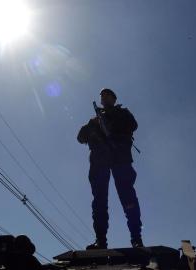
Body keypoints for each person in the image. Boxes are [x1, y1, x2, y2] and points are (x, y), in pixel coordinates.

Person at [77, 88, 144, 250]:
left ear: (114, 99)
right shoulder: (94, 120)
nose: (104, 98)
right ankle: (101, 241)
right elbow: (80, 137)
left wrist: (111, 122)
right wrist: (92, 128)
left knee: (128, 198)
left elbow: (133, 125)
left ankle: (136, 239)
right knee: (99, 201)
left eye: (108, 95)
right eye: (102, 96)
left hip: (120, 158)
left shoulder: (123, 113)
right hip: (100, 161)